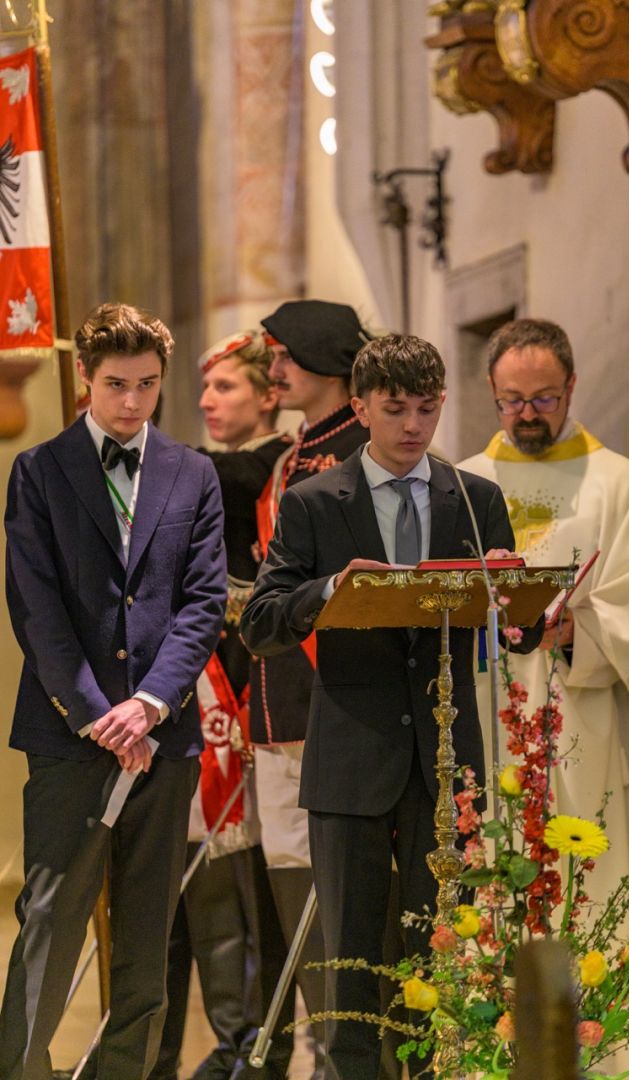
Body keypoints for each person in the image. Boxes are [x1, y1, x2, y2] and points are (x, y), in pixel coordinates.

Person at [240, 333, 543, 1080]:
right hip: (350, 758)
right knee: (351, 960)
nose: (413, 425)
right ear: (360, 408)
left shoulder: (475, 499)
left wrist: (517, 594)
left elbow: (521, 626)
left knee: (441, 952)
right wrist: (329, 591)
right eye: (395, 408)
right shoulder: (313, 502)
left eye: (428, 408)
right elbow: (262, 623)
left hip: (446, 759)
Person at [0, 302, 227, 1080]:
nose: (133, 402)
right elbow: (35, 606)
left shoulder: (194, 474)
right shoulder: (39, 470)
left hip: (163, 737)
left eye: (147, 385)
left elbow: (204, 601)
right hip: (71, 735)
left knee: (146, 932)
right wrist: (99, 714)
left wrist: (151, 703)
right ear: (85, 382)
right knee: (51, 918)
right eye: (117, 385)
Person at [459, 317, 629, 918]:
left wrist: (573, 632)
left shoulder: (618, 482)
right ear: (491, 392)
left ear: (572, 386)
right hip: (492, 706)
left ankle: (605, 984)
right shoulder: (464, 483)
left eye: (544, 399)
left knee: (593, 877)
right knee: (498, 864)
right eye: (512, 401)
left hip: (585, 707)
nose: (527, 415)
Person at [149, 332, 293, 1080]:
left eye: (226, 387)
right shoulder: (213, 472)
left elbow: (219, 479)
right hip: (203, 686)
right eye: (204, 388)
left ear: (270, 395)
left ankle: (257, 1044)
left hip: (255, 689)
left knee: (254, 883)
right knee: (200, 882)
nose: (207, 401)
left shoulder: (277, 468)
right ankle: (210, 1041)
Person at [247, 299, 373, 1072]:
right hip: (277, 695)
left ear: (325, 359)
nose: (274, 369)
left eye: (285, 354)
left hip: (333, 697)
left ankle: (348, 1051)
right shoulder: (293, 453)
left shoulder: (360, 451)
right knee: (291, 875)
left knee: (340, 884)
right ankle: (322, 1048)